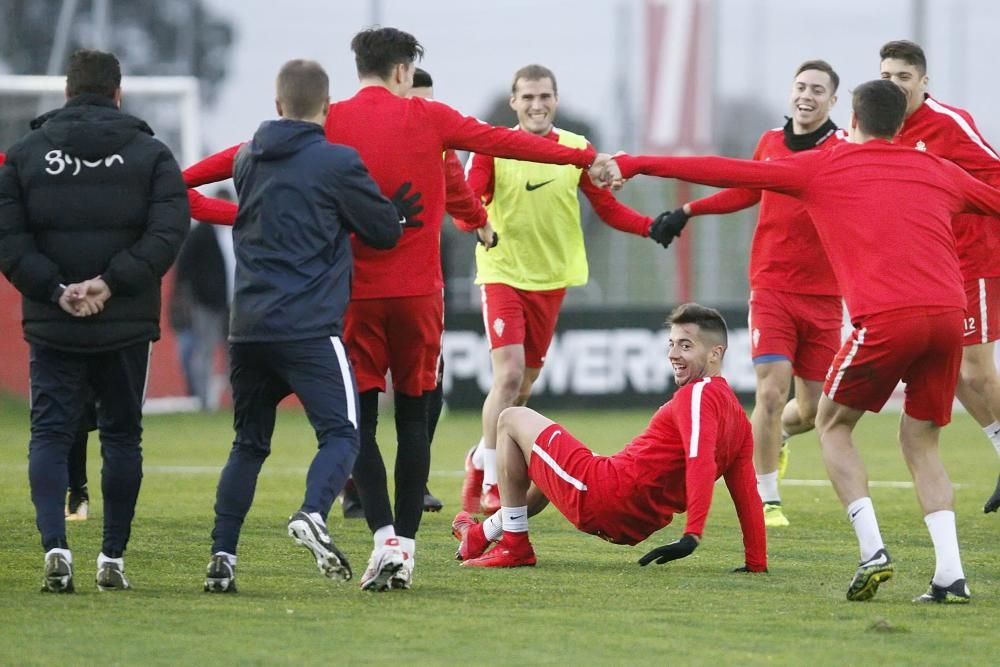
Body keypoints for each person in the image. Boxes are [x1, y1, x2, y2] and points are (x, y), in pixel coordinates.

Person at [182, 27, 604, 592]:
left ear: (359, 67)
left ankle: (381, 535)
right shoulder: (431, 118)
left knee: (359, 426)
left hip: (353, 298)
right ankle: (403, 548)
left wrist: (174, 183)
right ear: (405, 71)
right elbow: (509, 144)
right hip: (418, 298)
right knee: (415, 423)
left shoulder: (329, 122)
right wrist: (585, 158)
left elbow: (234, 159)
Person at [600, 79, 1000, 603]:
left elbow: (726, 171)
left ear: (851, 123)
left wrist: (635, 163)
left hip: (886, 318)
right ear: (903, 125)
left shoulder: (827, 165)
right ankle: (950, 574)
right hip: (951, 316)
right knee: (920, 441)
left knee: (833, 424)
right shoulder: (937, 167)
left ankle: (874, 551)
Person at [202, 59, 402, 593]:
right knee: (343, 432)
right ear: (327, 109)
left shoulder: (247, 158)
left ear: (276, 106)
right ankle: (312, 511)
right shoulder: (337, 161)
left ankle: (222, 557)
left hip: (246, 327)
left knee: (247, 444)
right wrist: (390, 214)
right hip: (309, 328)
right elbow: (382, 231)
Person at [0, 49, 190, 592]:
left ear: (66, 93)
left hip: (54, 323)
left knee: (50, 434)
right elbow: (168, 233)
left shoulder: (24, 155)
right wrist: (111, 283)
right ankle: (112, 558)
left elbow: (9, 239)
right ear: (117, 93)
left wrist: (56, 290)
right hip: (125, 322)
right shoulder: (152, 156)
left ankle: (56, 548)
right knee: (123, 437)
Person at [460, 64, 663, 518]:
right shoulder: (492, 148)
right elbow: (465, 203)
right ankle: (491, 481)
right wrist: (479, 226)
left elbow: (607, 208)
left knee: (523, 389)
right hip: (503, 275)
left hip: (551, 282)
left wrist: (652, 227)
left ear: (556, 99)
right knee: (508, 376)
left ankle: (478, 455)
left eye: (544, 96)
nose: (536, 105)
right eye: (527, 97)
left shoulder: (577, 151)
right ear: (514, 102)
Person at [657, 60, 846, 528]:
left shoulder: (843, 151)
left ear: (833, 101)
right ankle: (768, 501)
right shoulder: (769, 143)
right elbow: (745, 191)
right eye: (800, 86)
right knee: (770, 391)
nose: (807, 95)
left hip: (825, 294)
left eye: (817, 90)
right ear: (790, 92)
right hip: (772, 287)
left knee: (820, 410)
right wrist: (688, 209)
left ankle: (777, 435)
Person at [451, 303, 767, 573]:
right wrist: (756, 561)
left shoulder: (696, 395)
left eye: (685, 345)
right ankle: (481, 535)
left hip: (604, 496)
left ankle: (515, 545)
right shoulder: (739, 420)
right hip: (637, 523)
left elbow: (700, 460)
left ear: (716, 353)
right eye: (670, 344)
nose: (673, 354)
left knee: (510, 419)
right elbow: (746, 490)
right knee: (545, 466)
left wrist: (693, 534)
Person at [337, 66, 492, 518]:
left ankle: (406, 492)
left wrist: (479, 223)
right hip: (374, 288)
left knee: (425, 393)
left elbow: (461, 194)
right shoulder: (364, 141)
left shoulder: (436, 146)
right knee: (367, 402)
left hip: (415, 287)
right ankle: (358, 493)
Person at [879, 40, 1000, 515]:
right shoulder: (878, 129)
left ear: (923, 83)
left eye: (903, 77)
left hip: (976, 256)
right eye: (886, 76)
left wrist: (959, 198)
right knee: (948, 370)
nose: (894, 85)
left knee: (973, 366)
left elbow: (994, 174)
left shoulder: (949, 123)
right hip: (933, 266)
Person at [173, 188, 235, 410]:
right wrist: (188, 298)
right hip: (207, 302)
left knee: (235, 354)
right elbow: (184, 269)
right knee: (205, 351)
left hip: (235, 304)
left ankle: (236, 401)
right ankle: (204, 402)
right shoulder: (200, 234)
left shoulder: (238, 231)